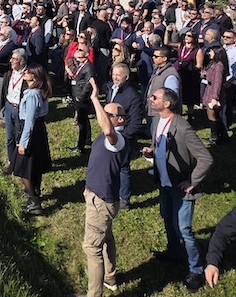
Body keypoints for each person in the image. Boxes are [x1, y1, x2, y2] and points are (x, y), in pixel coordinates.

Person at [143, 87, 213, 293]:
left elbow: (206, 158)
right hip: (164, 183)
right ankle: (174, 251)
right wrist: (152, 151)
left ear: (167, 103)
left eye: (155, 97)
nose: (150, 99)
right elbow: (160, 147)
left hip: (181, 188)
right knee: (167, 217)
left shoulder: (183, 128)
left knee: (184, 229)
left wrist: (192, 181)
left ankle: (196, 269)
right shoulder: (157, 121)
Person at [82, 91, 126, 295]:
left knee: (92, 248)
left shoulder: (117, 139)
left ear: (120, 119)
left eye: (109, 114)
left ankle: (94, 294)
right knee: (106, 238)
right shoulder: (109, 135)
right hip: (100, 197)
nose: (103, 116)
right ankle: (109, 276)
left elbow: (108, 129)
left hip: (100, 201)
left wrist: (94, 99)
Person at [11, 63, 52, 216]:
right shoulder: (38, 92)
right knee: (34, 168)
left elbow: (29, 121)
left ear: (34, 76)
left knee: (23, 170)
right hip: (38, 132)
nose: (25, 73)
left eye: (27, 72)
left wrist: (23, 142)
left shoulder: (33, 95)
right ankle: (35, 192)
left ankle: (34, 200)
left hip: (31, 134)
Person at [105, 63, 144, 210]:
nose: (115, 77)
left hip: (124, 137)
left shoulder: (133, 97)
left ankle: (124, 199)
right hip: (110, 133)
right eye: (113, 74)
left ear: (126, 77)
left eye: (118, 75)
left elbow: (136, 123)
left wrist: (123, 137)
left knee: (123, 166)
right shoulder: (112, 88)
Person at [1, 49, 28, 172]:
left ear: (21, 62)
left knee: (20, 137)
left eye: (14, 59)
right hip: (9, 106)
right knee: (9, 137)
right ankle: (11, 162)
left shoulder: (28, 75)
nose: (11, 61)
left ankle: (21, 164)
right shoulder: (10, 72)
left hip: (19, 110)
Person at [70, 40, 97, 154]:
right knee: (83, 120)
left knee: (82, 121)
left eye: (80, 50)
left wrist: (80, 97)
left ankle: (81, 145)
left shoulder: (88, 67)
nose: (77, 51)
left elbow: (89, 84)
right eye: (77, 49)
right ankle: (86, 140)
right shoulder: (81, 65)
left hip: (82, 98)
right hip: (77, 95)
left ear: (87, 54)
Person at [171, 30, 203, 121]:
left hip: (190, 75)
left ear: (194, 38)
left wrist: (189, 66)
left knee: (189, 96)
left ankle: (190, 115)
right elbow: (167, 43)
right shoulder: (181, 46)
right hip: (179, 72)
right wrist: (168, 33)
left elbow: (199, 65)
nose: (186, 37)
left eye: (189, 36)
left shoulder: (197, 50)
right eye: (186, 35)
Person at [202, 47, 230, 143]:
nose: (209, 53)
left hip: (214, 92)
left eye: (211, 52)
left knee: (212, 115)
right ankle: (223, 135)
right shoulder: (214, 64)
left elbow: (218, 82)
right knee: (216, 116)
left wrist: (214, 97)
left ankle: (215, 135)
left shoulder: (219, 66)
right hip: (211, 90)